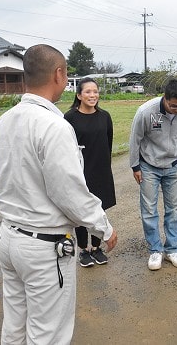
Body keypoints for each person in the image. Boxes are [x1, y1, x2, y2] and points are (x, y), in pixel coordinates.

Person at [0, 44, 118, 345]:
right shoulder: (54, 126)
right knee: (48, 333)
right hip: (43, 245)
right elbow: (69, 192)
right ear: (59, 75)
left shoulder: (4, 121)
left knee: (15, 325)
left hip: (10, 236)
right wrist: (104, 226)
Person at [129, 78, 177, 270]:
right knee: (149, 210)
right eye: (174, 106)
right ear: (165, 98)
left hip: (175, 164)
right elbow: (135, 139)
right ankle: (155, 250)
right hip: (149, 165)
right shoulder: (146, 111)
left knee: (175, 209)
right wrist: (135, 166)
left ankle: (172, 249)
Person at [64, 78, 117, 268]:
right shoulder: (69, 117)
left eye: (95, 91)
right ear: (79, 95)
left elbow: (108, 142)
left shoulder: (105, 116)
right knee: (79, 209)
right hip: (79, 169)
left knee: (98, 208)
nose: (92, 95)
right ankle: (83, 250)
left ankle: (96, 248)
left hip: (100, 168)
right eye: (88, 92)